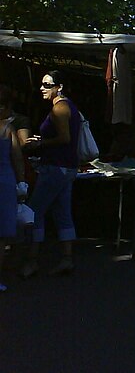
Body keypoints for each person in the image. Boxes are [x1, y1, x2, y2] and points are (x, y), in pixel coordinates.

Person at [21, 71, 81, 278]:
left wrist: (40, 143)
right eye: (42, 84)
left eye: (47, 85)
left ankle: (32, 261)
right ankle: (67, 259)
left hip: (56, 167)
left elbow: (64, 138)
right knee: (62, 212)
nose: (42, 88)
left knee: (34, 212)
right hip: (66, 167)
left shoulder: (59, 108)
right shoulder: (67, 106)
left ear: (59, 87)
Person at [0, 85, 27, 292]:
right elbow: (17, 158)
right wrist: (22, 182)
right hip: (5, 181)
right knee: (2, 233)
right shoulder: (8, 129)